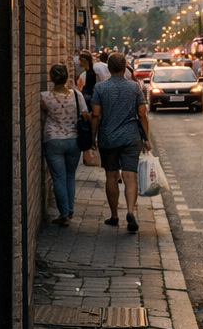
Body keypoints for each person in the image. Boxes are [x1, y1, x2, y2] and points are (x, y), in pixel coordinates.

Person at [89, 53, 153, 232]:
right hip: (131, 137)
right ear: (125, 68)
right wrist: (146, 138)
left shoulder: (100, 88)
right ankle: (131, 211)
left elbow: (95, 114)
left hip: (108, 137)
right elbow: (142, 114)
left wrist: (93, 137)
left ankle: (114, 215)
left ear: (108, 68)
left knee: (111, 176)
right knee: (130, 176)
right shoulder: (134, 87)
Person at [41, 63, 86, 227]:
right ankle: (70, 210)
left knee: (58, 178)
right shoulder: (77, 95)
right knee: (69, 177)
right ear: (67, 77)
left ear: (51, 78)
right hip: (74, 141)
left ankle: (64, 214)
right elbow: (86, 115)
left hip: (53, 140)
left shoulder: (45, 97)